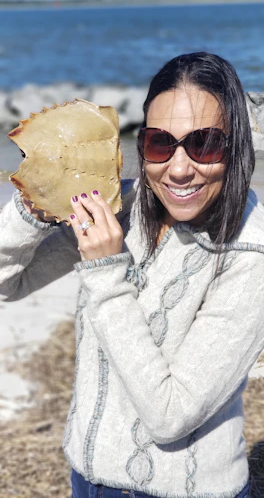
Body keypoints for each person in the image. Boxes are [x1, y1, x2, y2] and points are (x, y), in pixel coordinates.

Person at [0, 52, 263, 498]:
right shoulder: (122, 208)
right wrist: (35, 205)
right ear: (140, 144)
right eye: (161, 143)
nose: (179, 168)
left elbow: (171, 415)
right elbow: (8, 283)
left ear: (236, 145)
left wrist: (105, 272)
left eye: (205, 144)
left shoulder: (250, 252)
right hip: (87, 477)